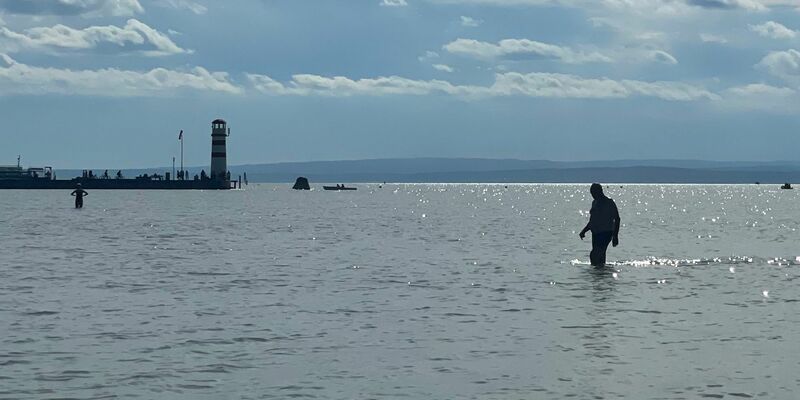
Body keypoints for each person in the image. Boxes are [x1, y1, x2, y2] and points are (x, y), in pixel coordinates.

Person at [579, 183, 620, 267]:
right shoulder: (594, 203)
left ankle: (597, 274)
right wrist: (584, 231)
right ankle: (601, 273)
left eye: (594, 193)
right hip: (596, 233)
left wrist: (615, 236)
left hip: (606, 233)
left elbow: (617, 219)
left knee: (594, 254)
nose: (593, 195)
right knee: (600, 255)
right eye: (592, 193)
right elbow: (592, 221)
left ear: (600, 191)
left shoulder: (609, 202)